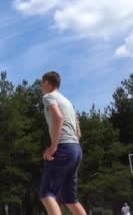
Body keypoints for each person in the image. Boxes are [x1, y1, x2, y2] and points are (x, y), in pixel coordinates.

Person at [38, 71, 86, 215]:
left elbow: (58, 118)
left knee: (46, 193)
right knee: (69, 198)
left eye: (42, 84)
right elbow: (79, 132)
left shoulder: (48, 97)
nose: (41, 87)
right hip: (76, 149)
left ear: (47, 83)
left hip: (63, 147)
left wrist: (53, 147)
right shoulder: (68, 102)